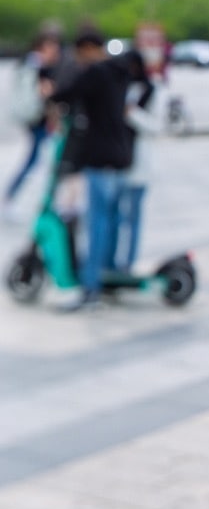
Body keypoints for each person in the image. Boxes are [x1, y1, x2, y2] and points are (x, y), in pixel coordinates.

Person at [51, 27, 149, 310]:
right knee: (114, 222)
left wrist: (52, 92)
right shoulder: (121, 72)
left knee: (97, 224)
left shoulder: (96, 72)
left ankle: (91, 287)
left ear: (87, 49)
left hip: (99, 158)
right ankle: (109, 276)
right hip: (121, 158)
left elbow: (64, 93)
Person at [4, 32, 60, 218]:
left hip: (37, 118)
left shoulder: (30, 64)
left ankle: (15, 197)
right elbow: (38, 94)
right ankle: (12, 197)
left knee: (37, 159)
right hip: (36, 117)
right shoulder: (35, 65)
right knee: (35, 159)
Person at [114, 54, 161, 273]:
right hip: (116, 161)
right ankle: (113, 261)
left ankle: (127, 263)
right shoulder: (119, 87)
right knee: (115, 216)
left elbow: (156, 126)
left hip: (139, 163)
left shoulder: (151, 90)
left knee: (132, 217)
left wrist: (132, 114)